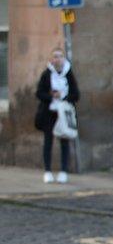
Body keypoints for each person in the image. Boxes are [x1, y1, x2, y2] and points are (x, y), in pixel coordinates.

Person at [35, 47, 79, 184]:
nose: (57, 59)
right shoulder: (46, 74)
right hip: (49, 112)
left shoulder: (69, 74)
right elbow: (39, 93)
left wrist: (64, 96)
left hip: (64, 113)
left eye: (60, 56)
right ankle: (47, 171)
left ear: (63, 59)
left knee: (64, 141)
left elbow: (76, 94)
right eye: (55, 56)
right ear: (51, 59)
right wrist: (51, 96)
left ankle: (63, 171)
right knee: (48, 142)